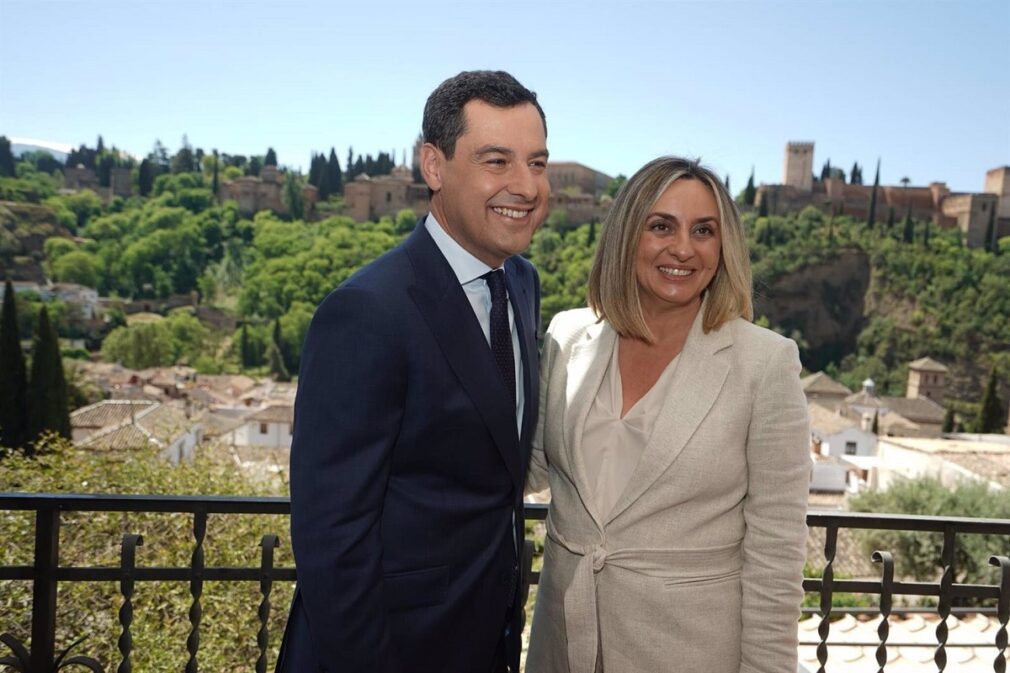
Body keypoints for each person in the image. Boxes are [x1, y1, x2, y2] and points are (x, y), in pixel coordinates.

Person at [276, 70, 549, 673]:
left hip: (485, 643)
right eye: (497, 161)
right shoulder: (366, 312)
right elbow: (333, 539)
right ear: (433, 165)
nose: (525, 186)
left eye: (537, 162)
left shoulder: (523, 284)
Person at [525, 157, 810, 673]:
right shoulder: (567, 338)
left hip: (688, 652)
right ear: (626, 235)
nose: (683, 248)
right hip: (562, 644)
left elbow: (776, 553)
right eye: (661, 226)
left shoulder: (764, 362)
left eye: (704, 231)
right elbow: (532, 465)